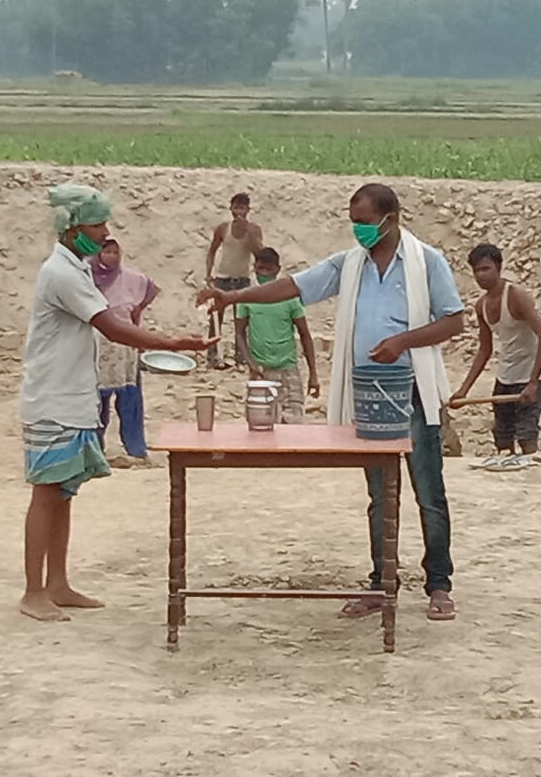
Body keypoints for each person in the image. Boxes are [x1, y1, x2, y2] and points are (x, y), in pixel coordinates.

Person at [198, 183, 465, 621]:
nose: (357, 230)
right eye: (353, 222)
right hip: (367, 394)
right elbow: (293, 287)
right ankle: (382, 581)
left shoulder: (427, 261)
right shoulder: (351, 263)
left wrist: (401, 342)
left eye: (363, 222)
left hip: (412, 392)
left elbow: (453, 322)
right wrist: (233, 296)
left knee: (428, 491)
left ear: (390, 218)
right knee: (379, 493)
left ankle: (439, 583)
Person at [18, 182, 211, 622]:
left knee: (62, 493)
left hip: (67, 395)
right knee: (46, 494)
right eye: (96, 224)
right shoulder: (63, 273)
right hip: (52, 397)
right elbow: (113, 327)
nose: (103, 232)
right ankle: (33, 591)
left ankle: (57, 584)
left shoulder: (76, 266)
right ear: (71, 227)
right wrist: (171, 342)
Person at [451, 243, 541, 459]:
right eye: (477, 271)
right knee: (503, 436)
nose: (481, 275)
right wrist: (464, 390)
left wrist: (534, 382)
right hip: (506, 375)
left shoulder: (515, 295)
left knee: (527, 434)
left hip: (531, 373)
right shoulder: (481, 306)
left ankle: (531, 482)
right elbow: (484, 349)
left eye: (486, 269)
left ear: (499, 267)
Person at [91, 237, 160, 460]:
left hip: (126, 345)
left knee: (130, 396)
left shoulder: (129, 277)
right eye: (107, 252)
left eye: (115, 252)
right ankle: (95, 448)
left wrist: (138, 318)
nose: (112, 256)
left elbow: (146, 294)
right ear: (98, 254)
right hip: (99, 345)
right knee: (97, 399)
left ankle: (135, 448)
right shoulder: (87, 277)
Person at [236, 247, 320, 423]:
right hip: (260, 372)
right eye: (260, 269)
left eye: (268, 269)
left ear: (278, 269)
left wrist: (313, 375)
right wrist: (250, 363)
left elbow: (305, 335)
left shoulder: (289, 298)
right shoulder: (247, 298)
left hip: (288, 371)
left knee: (293, 423)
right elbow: (239, 333)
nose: (264, 273)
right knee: (261, 423)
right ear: (254, 269)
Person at [204, 192, 263, 369]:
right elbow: (212, 250)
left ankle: (241, 358)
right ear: (230, 208)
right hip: (223, 278)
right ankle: (214, 356)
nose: (239, 212)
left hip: (243, 279)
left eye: (242, 208)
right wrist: (209, 273)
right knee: (216, 319)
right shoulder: (223, 228)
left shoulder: (254, 229)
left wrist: (248, 231)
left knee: (242, 321)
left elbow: (259, 253)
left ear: (248, 210)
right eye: (236, 207)